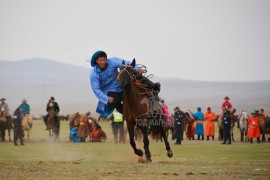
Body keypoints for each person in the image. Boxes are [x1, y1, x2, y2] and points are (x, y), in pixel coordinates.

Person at [89, 51, 160, 117]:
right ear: (96, 61)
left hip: (119, 84)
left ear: (106, 59)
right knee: (115, 101)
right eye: (100, 60)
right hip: (109, 91)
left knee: (134, 75)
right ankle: (126, 114)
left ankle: (153, 86)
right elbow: (96, 89)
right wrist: (107, 98)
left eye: (104, 60)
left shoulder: (112, 61)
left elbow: (126, 63)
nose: (103, 62)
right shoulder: (93, 74)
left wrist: (137, 68)